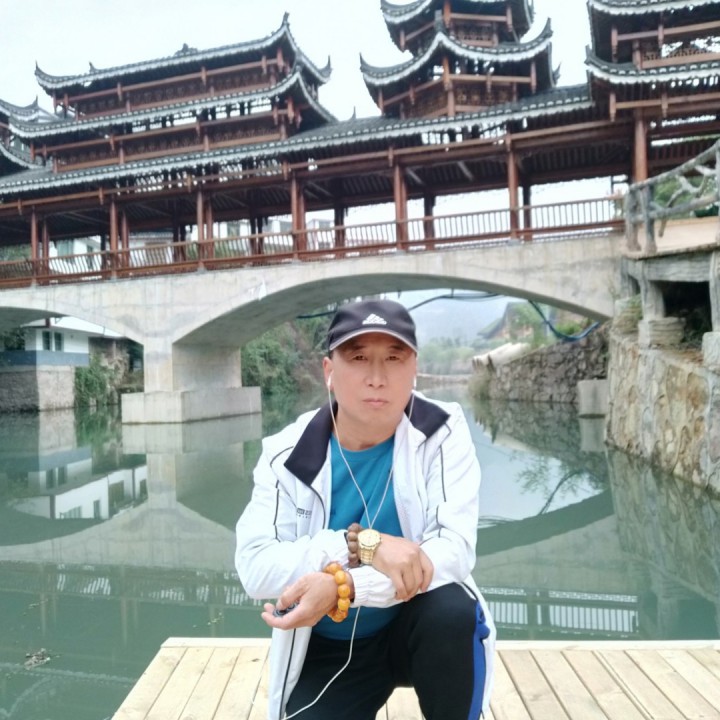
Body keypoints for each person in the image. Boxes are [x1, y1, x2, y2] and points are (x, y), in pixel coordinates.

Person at [235, 298, 495, 720]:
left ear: (414, 369)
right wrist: (356, 545)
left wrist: (346, 587)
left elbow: (455, 549)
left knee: (451, 612)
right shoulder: (286, 454)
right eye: (358, 358)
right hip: (331, 646)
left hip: (413, 623)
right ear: (329, 371)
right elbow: (255, 568)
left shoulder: (441, 430)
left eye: (394, 358)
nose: (377, 378)